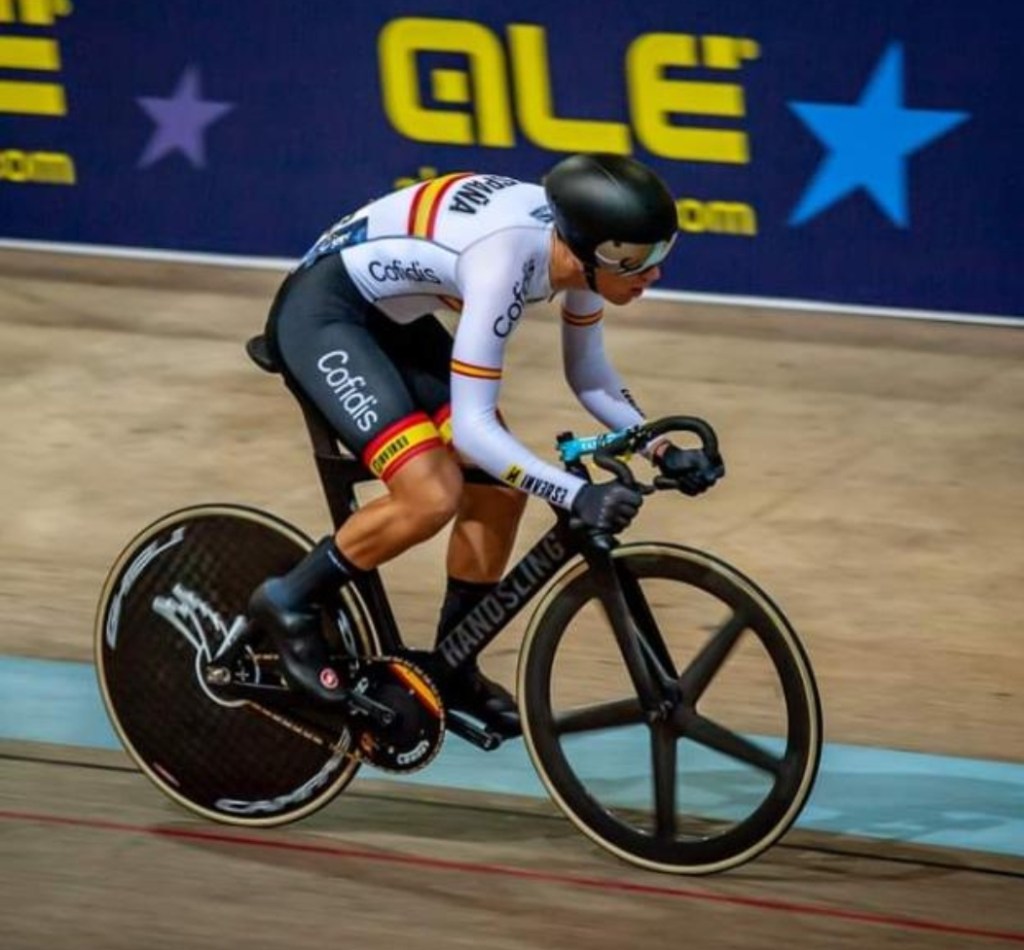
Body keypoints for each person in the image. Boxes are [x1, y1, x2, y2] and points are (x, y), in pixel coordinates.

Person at [248, 152, 724, 733]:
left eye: (659, 254)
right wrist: (575, 493)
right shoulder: (504, 262)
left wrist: (657, 447)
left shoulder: (578, 252)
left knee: (501, 488)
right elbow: (475, 431)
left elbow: (589, 376)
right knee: (431, 493)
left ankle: (452, 667)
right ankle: (288, 599)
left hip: (392, 320)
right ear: (589, 249)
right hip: (324, 315)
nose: (653, 274)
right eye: (637, 261)